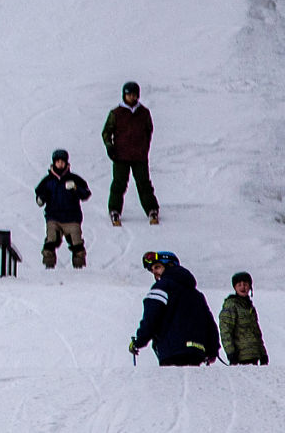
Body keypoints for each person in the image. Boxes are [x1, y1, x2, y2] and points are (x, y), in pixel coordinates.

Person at [130, 250, 219, 366]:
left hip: (172, 351)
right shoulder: (197, 294)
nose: (155, 273)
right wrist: (212, 351)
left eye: (157, 267)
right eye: (152, 270)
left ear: (169, 265)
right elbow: (210, 324)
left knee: (172, 383)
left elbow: (151, 316)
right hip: (197, 353)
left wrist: (139, 341)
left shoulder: (162, 287)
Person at [102, 81, 158, 226]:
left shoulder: (144, 113)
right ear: (124, 95)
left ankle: (151, 209)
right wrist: (110, 147)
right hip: (120, 156)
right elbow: (107, 132)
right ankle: (114, 209)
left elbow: (149, 130)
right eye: (128, 95)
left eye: (133, 95)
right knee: (119, 184)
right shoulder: (116, 113)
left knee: (144, 183)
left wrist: (144, 147)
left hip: (139, 156)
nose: (131, 97)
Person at [33, 150, 91, 268]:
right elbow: (39, 195)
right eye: (58, 162)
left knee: (77, 246)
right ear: (54, 163)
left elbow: (86, 194)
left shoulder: (74, 179)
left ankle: (79, 271)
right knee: (50, 242)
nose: (60, 164)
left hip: (72, 218)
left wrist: (75, 188)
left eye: (62, 162)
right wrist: (41, 199)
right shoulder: (48, 181)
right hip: (53, 218)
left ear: (66, 163)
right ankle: (49, 269)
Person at [218, 271, 268, 365]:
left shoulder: (250, 307)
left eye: (245, 284)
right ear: (235, 287)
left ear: (250, 287)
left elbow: (257, 334)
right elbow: (226, 331)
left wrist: (263, 354)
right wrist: (231, 353)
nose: (242, 287)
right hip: (240, 357)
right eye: (239, 284)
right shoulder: (231, 305)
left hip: (254, 355)